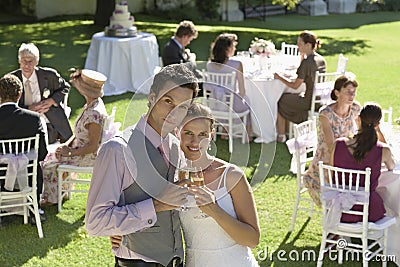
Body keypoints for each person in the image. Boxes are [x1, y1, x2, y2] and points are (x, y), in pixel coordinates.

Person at [85, 64, 199, 267]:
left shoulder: (174, 146)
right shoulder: (117, 149)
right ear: (152, 97)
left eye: (182, 107)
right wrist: (156, 206)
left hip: (176, 259)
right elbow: (96, 222)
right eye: (168, 101)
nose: (174, 113)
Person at [176, 103, 260, 266]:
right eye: (188, 133)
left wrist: (214, 210)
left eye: (202, 134)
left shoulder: (231, 176)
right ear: (177, 132)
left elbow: (253, 240)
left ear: (211, 134)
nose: (195, 141)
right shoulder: (171, 176)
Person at [40, 69, 108, 206]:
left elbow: (93, 146)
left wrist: (69, 152)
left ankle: (52, 198)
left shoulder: (94, 113)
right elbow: (78, 135)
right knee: (50, 154)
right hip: (80, 149)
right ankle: (60, 191)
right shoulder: (91, 104)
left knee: (47, 164)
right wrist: (65, 145)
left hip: (88, 156)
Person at [304, 75, 361, 207]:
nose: (352, 95)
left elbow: (361, 131)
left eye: (354, 92)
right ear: (337, 92)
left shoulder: (355, 109)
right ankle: (337, 210)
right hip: (327, 159)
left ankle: (349, 212)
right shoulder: (326, 114)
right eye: (348, 91)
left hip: (348, 153)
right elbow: (331, 145)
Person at [331, 104, 395, 223]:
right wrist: (378, 132)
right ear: (377, 125)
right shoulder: (383, 150)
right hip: (369, 211)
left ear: (358, 119)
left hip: (340, 209)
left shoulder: (338, 144)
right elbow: (392, 166)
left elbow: (330, 171)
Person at [0, 74, 48, 223]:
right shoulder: (33, 118)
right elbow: (42, 154)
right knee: (37, 166)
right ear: (20, 95)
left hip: (0, 177)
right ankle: (36, 208)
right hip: (28, 176)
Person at [10, 42, 73, 144]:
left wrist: (51, 101)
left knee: (43, 141)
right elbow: (6, 105)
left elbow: (65, 87)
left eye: (31, 61)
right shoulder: (12, 80)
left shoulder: (49, 75)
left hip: (48, 123)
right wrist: (28, 109)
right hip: (22, 124)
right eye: (23, 60)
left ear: (37, 61)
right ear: (19, 60)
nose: (27, 64)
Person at [274, 30, 327, 143]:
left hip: (308, 101)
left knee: (280, 99)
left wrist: (279, 77)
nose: (297, 46)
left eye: (300, 44)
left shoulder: (307, 62)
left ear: (308, 45)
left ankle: (282, 135)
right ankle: (290, 132)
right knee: (290, 98)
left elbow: (295, 86)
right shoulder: (321, 59)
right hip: (319, 100)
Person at [206, 33, 251, 139]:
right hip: (231, 105)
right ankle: (248, 134)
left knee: (226, 100)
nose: (235, 48)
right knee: (248, 101)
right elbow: (242, 91)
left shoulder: (209, 65)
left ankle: (224, 130)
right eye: (233, 46)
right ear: (227, 49)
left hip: (215, 104)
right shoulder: (237, 64)